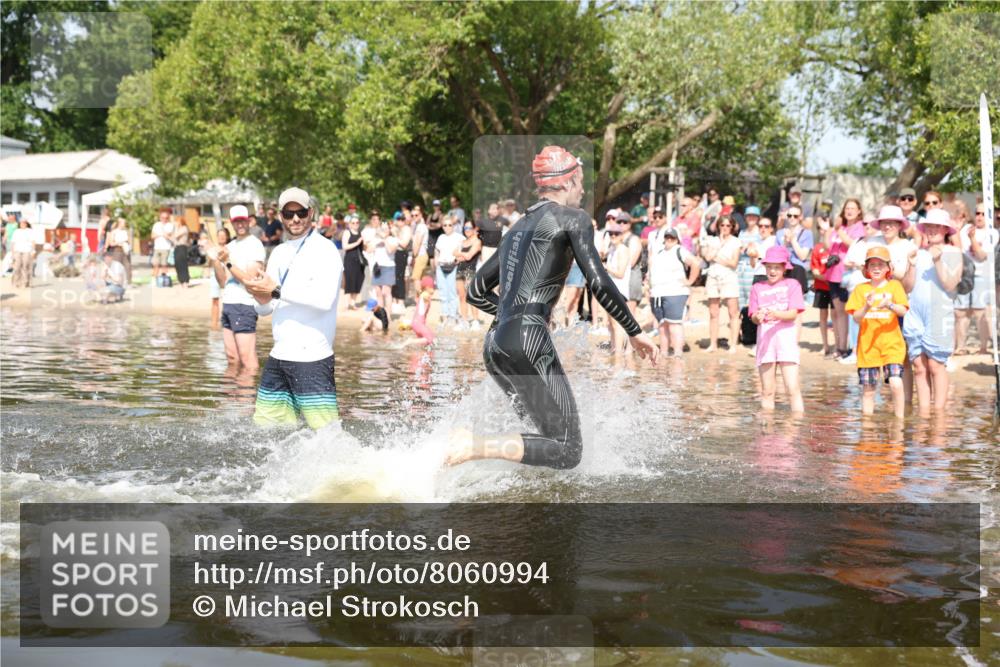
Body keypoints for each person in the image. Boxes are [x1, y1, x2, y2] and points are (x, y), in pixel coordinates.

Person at [451, 145, 657, 469]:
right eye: (581, 182)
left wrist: (512, 319)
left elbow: (476, 291)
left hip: (494, 345)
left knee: (546, 435)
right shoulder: (573, 219)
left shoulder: (516, 228)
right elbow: (600, 283)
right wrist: (635, 331)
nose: (583, 190)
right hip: (527, 341)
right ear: (570, 180)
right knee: (568, 449)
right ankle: (473, 447)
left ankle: (521, 498)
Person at [245, 187, 344, 430]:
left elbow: (324, 300)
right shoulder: (279, 252)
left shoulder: (325, 250)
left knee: (328, 436)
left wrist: (276, 290)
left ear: (310, 213)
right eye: (289, 214)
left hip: (312, 357)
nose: (295, 219)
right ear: (281, 216)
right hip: (279, 356)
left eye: (300, 212)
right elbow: (266, 310)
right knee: (265, 432)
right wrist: (259, 295)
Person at [901, 208, 963, 414]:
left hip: (939, 313)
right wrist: (910, 266)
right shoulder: (918, 253)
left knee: (936, 366)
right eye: (929, 226)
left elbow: (950, 285)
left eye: (937, 226)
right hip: (916, 313)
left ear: (945, 230)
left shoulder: (953, 252)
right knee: (919, 367)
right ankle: (923, 415)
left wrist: (937, 261)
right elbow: (908, 287)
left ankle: (938, 417)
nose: (932, 230)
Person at [846, 246, 910, 418]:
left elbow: (903, 311)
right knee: (868, 390)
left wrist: (889, 304)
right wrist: (867, 305)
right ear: (866, 269)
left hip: (892, 345)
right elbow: (856, 318)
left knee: (896, 383)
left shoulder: (895, 286)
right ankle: (868, 429)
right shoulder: (861, 289)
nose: (876, 268)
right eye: (872, 264)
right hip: (868, 348)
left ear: (888, 268)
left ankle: (899, 422)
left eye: (880, 264)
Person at [748, 246, 805, 413]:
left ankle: (796, 428)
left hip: (785, 341)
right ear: (764, 267)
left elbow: (793, 313)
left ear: (784, 268)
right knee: (767, 391)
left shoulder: (792, 284)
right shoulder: (757, 287)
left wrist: (776, 314)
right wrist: (757, 318)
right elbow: (752, 315)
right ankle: (767, 431)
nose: (772, 271)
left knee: (792, 389)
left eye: (777, 267)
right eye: (769, 267)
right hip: (766, 343)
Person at [215, 204, 266, 374]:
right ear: (232, 223)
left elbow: (249, 279)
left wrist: (228, 262)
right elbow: (222, 281)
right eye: (236, 222)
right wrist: (216, 260)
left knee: (247, 359)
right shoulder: (229, 246)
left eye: (243, 221)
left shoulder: (255, 244)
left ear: (249, 221)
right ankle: (232, 399)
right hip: (228, 303)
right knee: (232, 359)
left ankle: (247, 397)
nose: (240, 225)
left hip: (244, 304)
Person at [953, 203, 997, 355]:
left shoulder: (993, 233)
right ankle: (960, 347)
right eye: (977, 213)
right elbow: (957, 248)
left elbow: (981, 255)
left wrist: (972, 239)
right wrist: (958, 232)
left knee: (980, 312)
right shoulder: (966, 229)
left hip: (981, 276)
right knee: (960, 312)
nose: (979, 217)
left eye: (983, 214)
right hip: (965, 275)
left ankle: (983, 347)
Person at [649, 227, 700, 357]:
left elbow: (695, 263)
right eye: (667, 237)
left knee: (674, 324)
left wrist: (689, 281)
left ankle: (678, 354)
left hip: (675, 292)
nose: (669, 240)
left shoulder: (680, 250)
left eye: (672, 237)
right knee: (662, 325)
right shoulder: (659, 252)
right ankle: (664, 353)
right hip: (658, 293)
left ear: (677, 239)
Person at [826, 198, 866, 361]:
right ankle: (840, 346)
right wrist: (829, 230)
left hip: (848, 274)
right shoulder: (839, 227)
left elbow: (852, 244)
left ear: (858, 211)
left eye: (852, 208)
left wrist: (839, 231)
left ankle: (847, 347)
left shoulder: (860, 227)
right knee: (837, 313)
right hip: (833, 273)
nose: (849, 211)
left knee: (848, 312)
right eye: (847, 208)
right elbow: (828, 246)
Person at [701, 215, 741, 352]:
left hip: (729, 277)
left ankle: (733, 344)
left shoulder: (736, 242)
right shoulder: (712, 240)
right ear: (718, 226)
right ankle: (713, 344)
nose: (725, 228)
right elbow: (707, 257)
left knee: (733, 311)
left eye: (728, 225)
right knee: (713, 311)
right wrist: (720, 248)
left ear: (732, 227)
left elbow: (733, 263)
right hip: (713, 276)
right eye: (722, 225)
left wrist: (717, 257)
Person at [775, 205, 813, 295]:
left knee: (796, 302)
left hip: (798, 270)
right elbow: (777, 256)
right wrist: (784, 242)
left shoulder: (807, 233)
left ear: (800, 217)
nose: (792, 218)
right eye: (789, 215)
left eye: (795, 216)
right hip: (782, 269)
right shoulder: (780, 233)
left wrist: (793, 240)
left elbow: (803, 256)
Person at [809, 221, 834, 357]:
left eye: (826, 228)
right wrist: (825, 277)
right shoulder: (817, 248)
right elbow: (815, 270)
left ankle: (838, 345)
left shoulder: (835, 246)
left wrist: (832, 278)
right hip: (822, 286)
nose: (823, 231)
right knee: (823, 316)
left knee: (837, 316)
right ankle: (825, 345)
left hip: (835, 286)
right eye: (821, 229)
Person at [434, 215, 462, 328]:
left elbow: (465, 248)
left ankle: (452, 316)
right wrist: (436, 260)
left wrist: (458, 260)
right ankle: (445, 316)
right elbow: (437, 250)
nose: (447, 227)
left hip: (453, 267)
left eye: (449, 225)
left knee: (452, 293)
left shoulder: (459, 237)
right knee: (442, 292)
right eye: (444, 225)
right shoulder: (441, 237)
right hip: (441, 266)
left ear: (453, 226)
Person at [455, 219, 483, 329]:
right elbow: (453, 253)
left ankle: (475, 321)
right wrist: (461, 255)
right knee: (462, 297)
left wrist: (460, 255)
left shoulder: (477, 241)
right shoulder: (463, 242)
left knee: (471, 297)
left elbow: (469, 256)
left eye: (469, 228)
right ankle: (464, 320)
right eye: (465, 228)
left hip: (470, 271)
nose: (467, 230)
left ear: (474, 229)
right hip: (459, 271)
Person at [207, 227, 231, 330]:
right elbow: (209, 264)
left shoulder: (231, 248)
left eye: (223, 235)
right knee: (215, 300)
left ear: (227, 236)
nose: (221, 237)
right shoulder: (212, 249)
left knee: (228, 300)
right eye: (219, 236)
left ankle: (226, 322)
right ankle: (214, 323)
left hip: (228, 276)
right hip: (214, 275)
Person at [342, 215, 364, 308]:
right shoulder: (347, 232)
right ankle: (347, 303)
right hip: (349, 259)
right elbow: (345, 247)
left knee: (358, 280)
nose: (355, 224)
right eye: (353, 223)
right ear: (350, 224)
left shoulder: (360, 233)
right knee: (349, 280)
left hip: (359, 260)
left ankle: (353, 303)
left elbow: (363, 248)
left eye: (357, 222)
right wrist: (357, 243)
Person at [391, 211, 411, 311]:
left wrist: (395, 236)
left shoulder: (406, 229)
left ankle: (401, 300)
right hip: (394, 253)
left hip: (401, 254)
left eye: (402, 219)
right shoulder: (396, 229)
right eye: (399, 219)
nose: (400, 221)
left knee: (400, 277)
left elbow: (404, 244)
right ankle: (394, 299)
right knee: (393, 277)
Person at [151, 208, 175, 283]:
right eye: (162, 217)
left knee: (164, 264)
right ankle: (155, 279)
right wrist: (160, 234)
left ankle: (164, 279)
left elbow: (169, 235)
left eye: (166, 218)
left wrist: (162, 232)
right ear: (160, 218)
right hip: (157, 247)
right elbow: (152, 236)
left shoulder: (170, 225)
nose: (164, 219)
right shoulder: (156, 225)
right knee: (155, 264)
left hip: (166, 248)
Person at [9, 219, 34, 288]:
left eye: (24, 223)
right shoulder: (16, 231)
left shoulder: (30, 231)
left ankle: (25, 282)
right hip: (17, 250)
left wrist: (33, 250)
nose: (22, 224)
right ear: (19, 224)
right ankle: (16, 282)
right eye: (21, 223)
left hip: (27, 250)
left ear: (26, 224)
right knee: (17, 267)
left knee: (25, 267)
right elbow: (13, 242)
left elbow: (33, 241)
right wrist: (12, 252)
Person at [108, 217, 132, 285]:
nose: (124, 224)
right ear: (119, 223)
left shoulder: (126, 231)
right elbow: (111, 243)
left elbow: (129, 241)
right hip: (117, 250)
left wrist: (127, 244)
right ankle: (116, 281)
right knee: (117, 266)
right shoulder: (114, 232)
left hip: (125, 250)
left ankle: (128, 282)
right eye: (123, 223)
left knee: (127, 266)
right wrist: (119, 243)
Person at [173, 218, 191, 287]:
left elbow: (176, 236)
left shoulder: (184, 228)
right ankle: (181, 280)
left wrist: (176, 228)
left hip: (182, 247)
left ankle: (186, 280)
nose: (176, 223)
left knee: (183, 264)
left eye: (177, 221)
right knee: (177, 264)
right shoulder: (177, 229)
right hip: (176, 247)